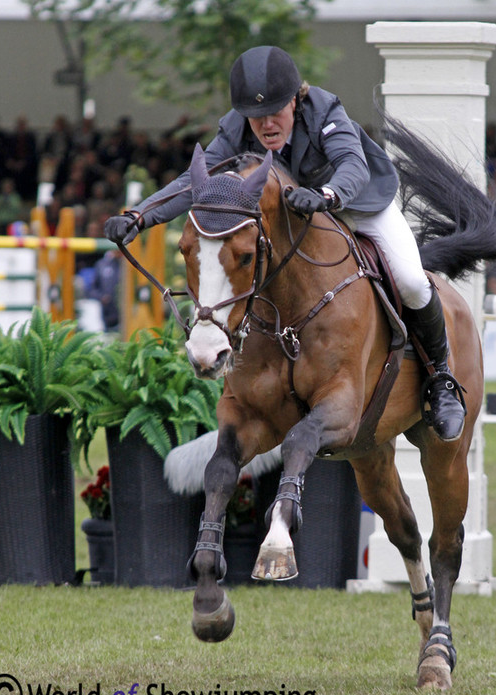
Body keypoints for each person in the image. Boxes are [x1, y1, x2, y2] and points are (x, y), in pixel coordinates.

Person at [105, 45, 464, 441]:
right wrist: (139, 215)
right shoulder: (236, 128)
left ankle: (441, 380)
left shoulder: (325, 112)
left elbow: (352, 166)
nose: (266, 124)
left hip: (356, 203)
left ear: (296, 99)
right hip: (296, 220)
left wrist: (326, 196)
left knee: (412, 281)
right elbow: (198, 182)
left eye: (275, 112)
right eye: (256, 117)